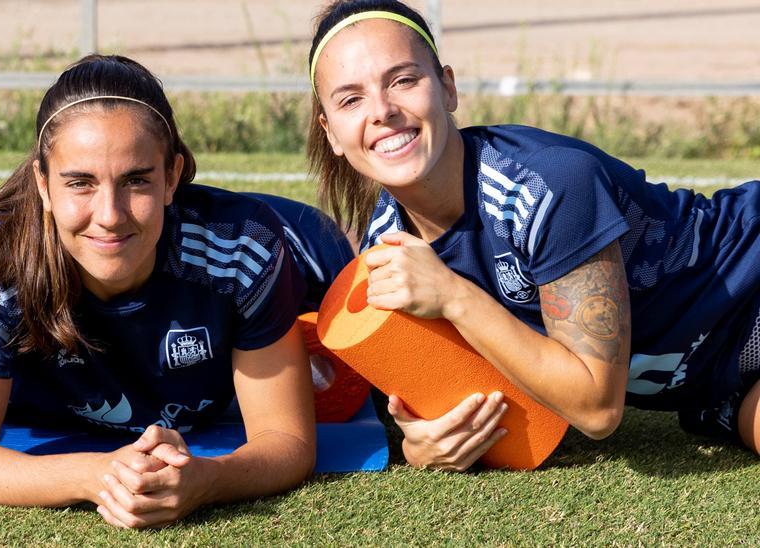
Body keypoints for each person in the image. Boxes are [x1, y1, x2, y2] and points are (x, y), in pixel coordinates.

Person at [306, 0, 760, 471]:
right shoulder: (390, 246)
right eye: (351, 99)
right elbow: (501, 402)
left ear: (447, 87)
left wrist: (454, 296)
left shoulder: (549, 186)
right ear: (331, 132)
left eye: (403, 80)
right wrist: (422, 444)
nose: (382, 110)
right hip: (716, 383)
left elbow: (597, 408)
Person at [0, 54, 354, 529]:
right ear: (43, 184)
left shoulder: (241, 249)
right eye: (80, 183)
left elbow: (287, 442)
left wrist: (207, 480)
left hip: (305, 248)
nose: (109, 214)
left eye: (136, 181)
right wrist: (97, 474)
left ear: (172, 176)